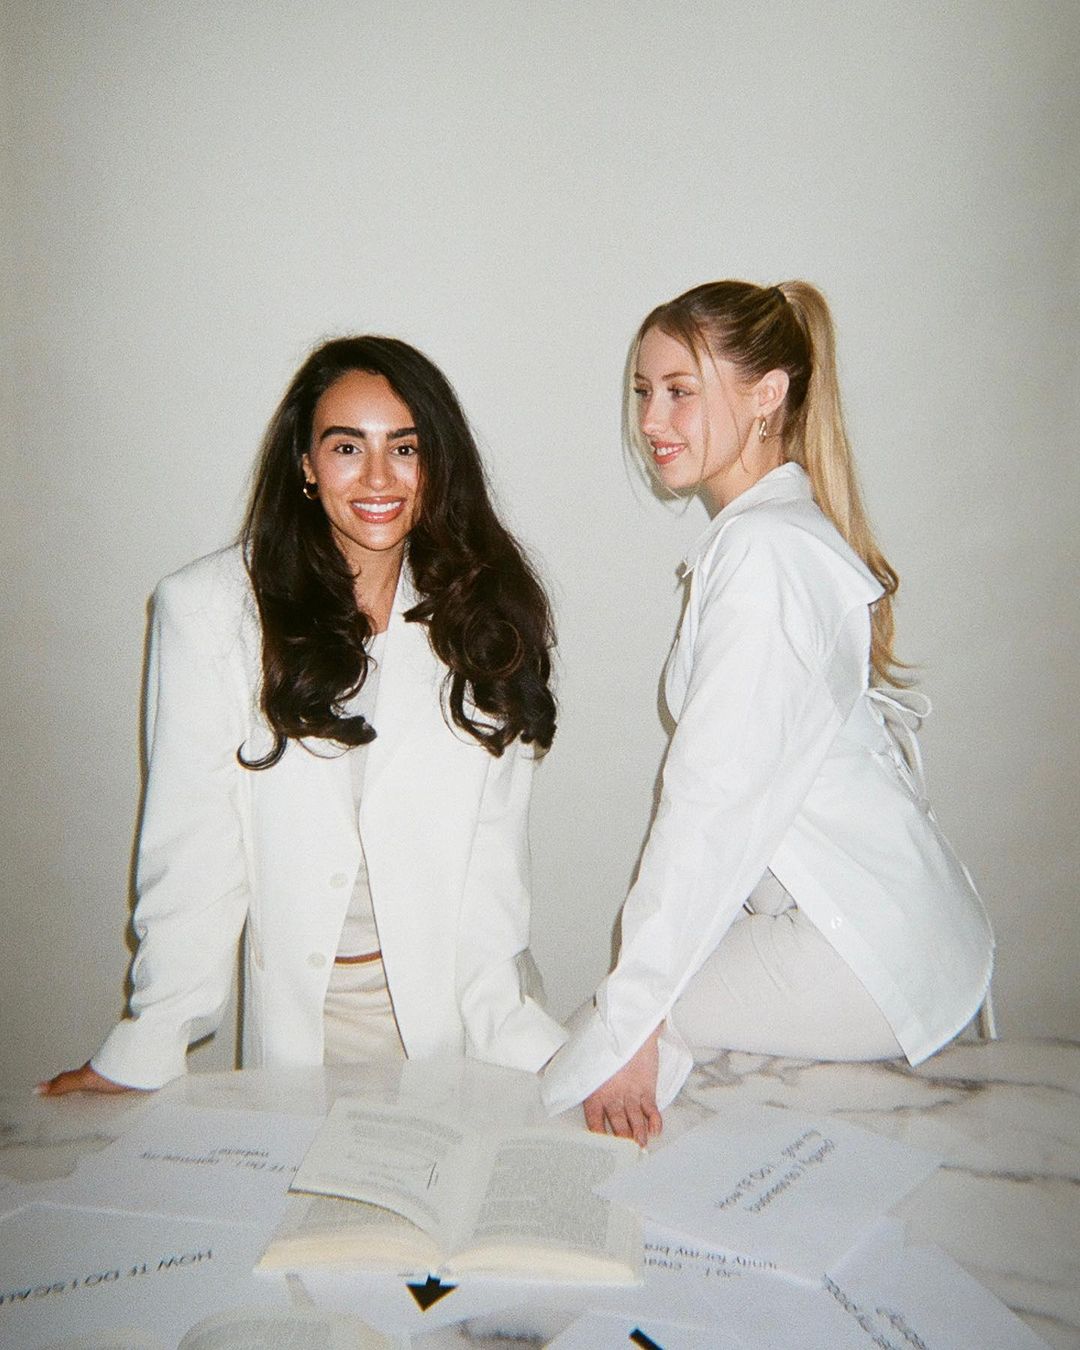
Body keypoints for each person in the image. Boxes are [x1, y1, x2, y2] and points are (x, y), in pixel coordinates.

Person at [41, 335, 567, 1095]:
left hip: (463, 1013)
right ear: (307, 465)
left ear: (437, 465)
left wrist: (542, 1050)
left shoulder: (487, 617)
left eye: (406, 448)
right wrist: (147, 1043)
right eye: (348, 446)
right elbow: (193, 852)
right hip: (308, 1020)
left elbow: (494, 876)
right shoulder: (210, 611)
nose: (379, 476)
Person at [541, 280, 993, 1144]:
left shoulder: (763, 551)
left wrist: (632, 1024)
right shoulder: (772, 531)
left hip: (859, 950)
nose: (651, 419)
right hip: (894, 927)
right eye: (643, 391)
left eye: (679, 390)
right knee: (612, 1035)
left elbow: (709, 804)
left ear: (767, 395)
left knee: (589, 1055)